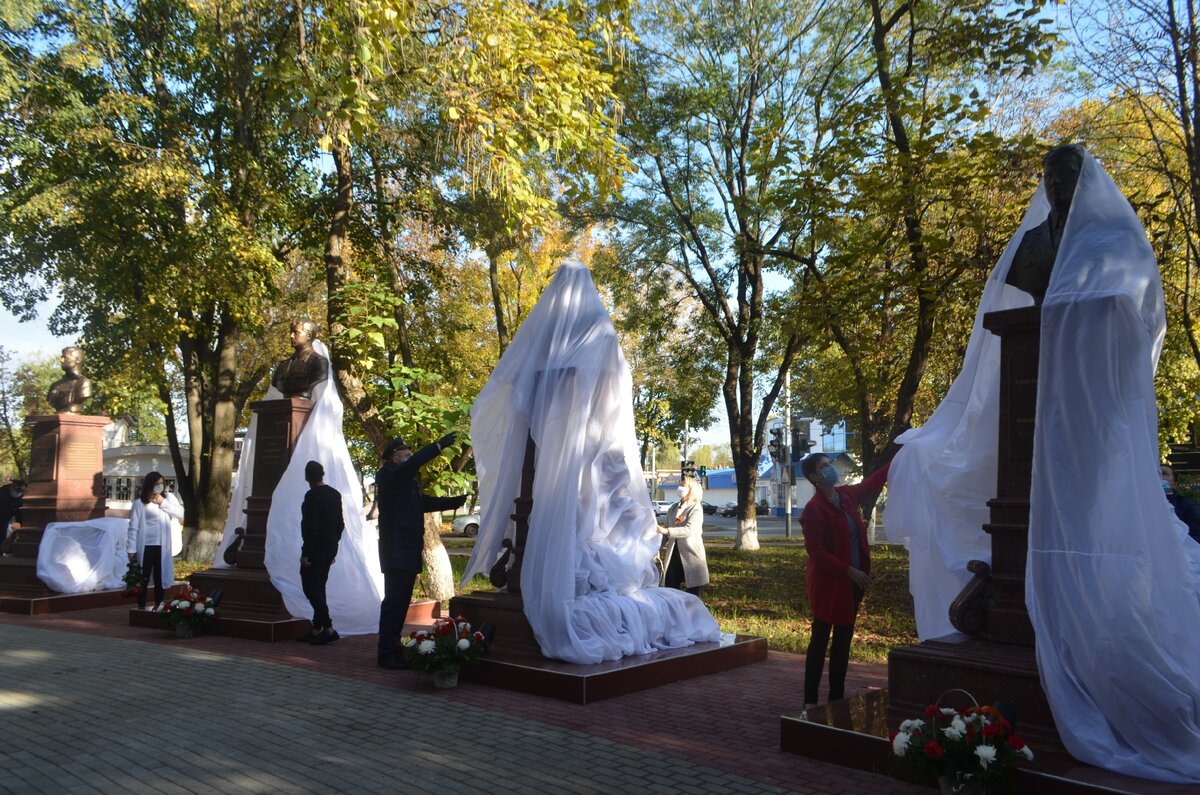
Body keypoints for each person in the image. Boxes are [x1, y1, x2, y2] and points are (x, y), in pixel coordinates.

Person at [799, 453, 889, 715]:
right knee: (820, 639)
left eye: (830, 464)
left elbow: (871, 484)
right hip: (829, 584)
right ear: (815, 477)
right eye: (825, 466)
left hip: (853, 582)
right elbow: (816, 551)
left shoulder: (846, 497)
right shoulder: (814, 510)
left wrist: (900, 457)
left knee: (843, 640)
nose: (831, 469)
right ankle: (810, 700)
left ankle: (837, 698)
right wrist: (848, 570)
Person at [375, 433, 466, 669]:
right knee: (394, 602)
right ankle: (385, 653)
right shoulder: (389, 476)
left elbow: (425, 503)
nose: (410, 459)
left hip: (407, 550)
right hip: (396, 551)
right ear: (395, 458)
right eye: (406, 456)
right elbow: (416, 463)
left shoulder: (406, 482)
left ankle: (394, 648)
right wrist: (437, 446)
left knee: (401, 602)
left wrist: (457, 501)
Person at [296, 460, 346, 645]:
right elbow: (340, 524)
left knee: (311, 587)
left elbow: (311, 528)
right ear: (322, 474)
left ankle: (329, 628)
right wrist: (333, 545)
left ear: (307, 476)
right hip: (329, 547)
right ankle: (317, 629)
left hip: (316, 548)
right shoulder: (335, 494)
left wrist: (305, 553)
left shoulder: (311, 496)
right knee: (320, 586)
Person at [126, 471, 184, 609]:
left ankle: (159, 605)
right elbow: (133, 527)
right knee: (143, 577)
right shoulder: (140, 503)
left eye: (161, 483)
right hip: (145, 545)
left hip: (162, 546)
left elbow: (180, 513)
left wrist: (162, 502)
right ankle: (141, 606)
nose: (159, 486)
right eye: (156, 483)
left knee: (160, 577)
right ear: (150, 485)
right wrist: (131, 549)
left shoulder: (168, 498)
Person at [657, 475, 709, 597]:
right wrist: (655, 549)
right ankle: (674, 614)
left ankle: (693, 614)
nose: (679, 488)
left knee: (693, 593)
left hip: (691, 555)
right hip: (674, 554)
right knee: (670, 589)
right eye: (679, 485)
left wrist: (666, 531)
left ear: (691, 489)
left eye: (683, 485)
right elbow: (664, 531)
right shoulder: (673, 508)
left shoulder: (695, 508)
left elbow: (689, 530)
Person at [270, 320, 329, 399]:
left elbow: (319, 377)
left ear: (309, 336)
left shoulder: (318, 362)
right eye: (291, 332)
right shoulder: (283, 365)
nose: (291, 336)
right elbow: (275, 383)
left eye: (296, 332)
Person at [46, 346, 93, 413]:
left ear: (78, 360)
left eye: (65, 358)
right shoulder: (54, 385)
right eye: (61, 357)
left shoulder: (84, 383)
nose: (61, 360)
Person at [1161, 464, 1200, 542]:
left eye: (1164, 474)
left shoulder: (1185, 505)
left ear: (1175, 484)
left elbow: (1197, 533)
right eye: (1156, 474)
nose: (1159, 477)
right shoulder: (1142, 504)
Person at [0, 479, 25, 545]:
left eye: (21, 491)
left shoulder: (20, 498)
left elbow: (19, 513)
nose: (19, 493)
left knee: (2, 535)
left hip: (5, 519)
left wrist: (21, 526)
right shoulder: (2, 493)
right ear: (12, 487)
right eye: (17, 490)